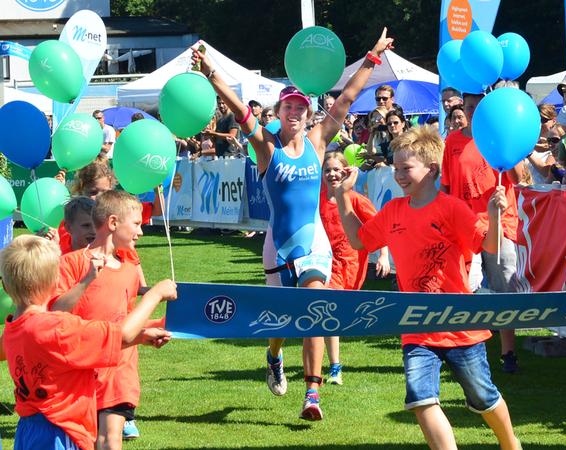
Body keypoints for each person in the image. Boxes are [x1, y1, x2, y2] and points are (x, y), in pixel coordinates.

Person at [192, 27, 394, 421]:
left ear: (306, 113)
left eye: (301, 108)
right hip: (279, 245)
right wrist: (210, 72)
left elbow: (349, 97)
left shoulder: (320, 140)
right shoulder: (267, 147)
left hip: (314, 242)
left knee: (314, 310)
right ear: (280, 114)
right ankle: (273, 355)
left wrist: (372, 57)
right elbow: (238, 110)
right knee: (283, 319)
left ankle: (312, 394)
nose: (296, 113)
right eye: (289, 108)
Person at [333, 126, 521, 450]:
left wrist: (492, 213)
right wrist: (342, 197)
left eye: (406, 168)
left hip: (461, 325)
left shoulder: (451, 208)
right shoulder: (393, 211)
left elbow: (487, 246)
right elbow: (358, 239)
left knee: (483, 396)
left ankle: (510, 443)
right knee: (421, 400)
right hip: (417, 325)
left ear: (431, 169)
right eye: (395, 168)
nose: (399, 175)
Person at [0, 235, 176, 450]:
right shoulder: (56, 328)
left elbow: (69, 351)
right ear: (55, 282)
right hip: (60, 430)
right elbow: (123, 335)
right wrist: (154, 295)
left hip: (28, 430)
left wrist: (140, 337)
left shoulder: (13, 329)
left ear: (6, 288)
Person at [49, 190, 168, 450]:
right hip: (80, 371)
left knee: (111, 438)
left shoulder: (129, 270)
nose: (141, 232)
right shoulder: (70, 264)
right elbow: (55, 314)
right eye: (136, 224)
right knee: (85, 439)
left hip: (119, 369)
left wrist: (153, 332)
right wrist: (86, 280)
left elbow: (126, 322)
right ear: (113, 223)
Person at [442, 93, 523, 374]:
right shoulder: (452, 142)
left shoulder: (499, 136)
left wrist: (506, 148)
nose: (474, 111)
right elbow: (447, 186)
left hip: (500, 223)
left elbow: (518, 178)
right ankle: (466, 349)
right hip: (464, 226)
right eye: (469, 107)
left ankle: (509, 352)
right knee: (465, 287)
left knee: (504, 288)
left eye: (479, 106)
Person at [320, 151, 390, 385]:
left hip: (349, 264)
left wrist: (383, 256)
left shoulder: (356, 199)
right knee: (326, 311)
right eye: (327, 170)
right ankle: (334, 367)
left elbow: (379, 227)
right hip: (323, 263)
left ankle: (331, 365)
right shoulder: (316, 198)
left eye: (336, 169)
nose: (332, 174)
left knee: (332, 314)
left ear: (346, 171)